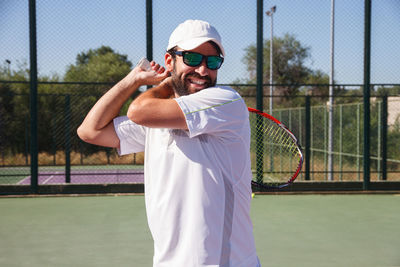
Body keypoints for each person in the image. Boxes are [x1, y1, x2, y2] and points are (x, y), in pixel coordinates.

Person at [77, 19, 260, 267]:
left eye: (213, 61)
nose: (204, 70)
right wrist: (132, 79)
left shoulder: (226, 101)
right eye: (193, 59)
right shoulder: (156, 121)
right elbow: (90, 131)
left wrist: (164, 84)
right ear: (169, 60)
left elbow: (139, 110)